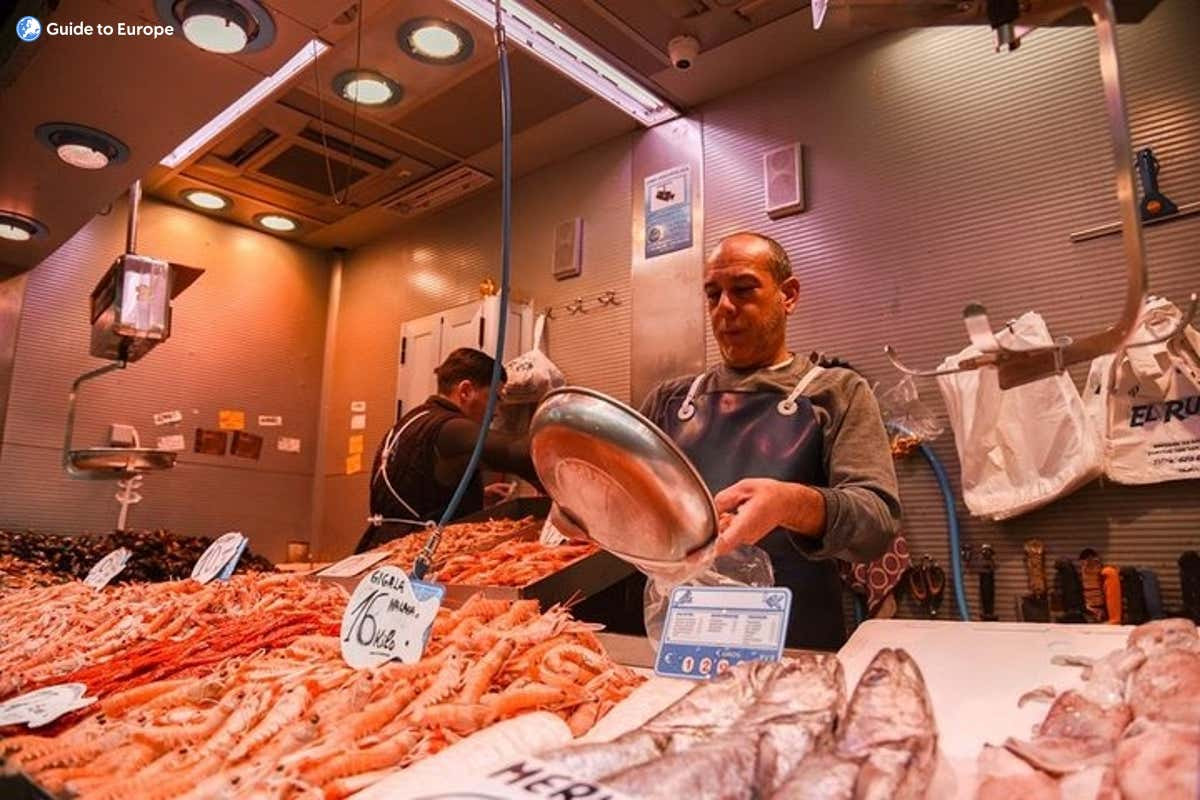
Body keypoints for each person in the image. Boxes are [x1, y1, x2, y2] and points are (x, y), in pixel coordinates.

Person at [563, 232, 901, 650]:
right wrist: (583, 514)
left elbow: (877, 523)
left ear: (788, 295)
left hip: (795, 639)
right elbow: (626, 511)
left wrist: (791, 503)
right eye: (712, 294)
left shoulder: (837, 391)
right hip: (683, 636)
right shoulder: (669, 400)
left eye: (743, 289)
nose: (725, 307)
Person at [356, 348, 539, 552]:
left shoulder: (412, 421)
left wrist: (477, 496)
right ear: (465, 391)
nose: (496, 412)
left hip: (378, 548)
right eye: (495, 398)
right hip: (412, 555)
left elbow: (416, 489)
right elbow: (519, 454)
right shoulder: (450, 427)